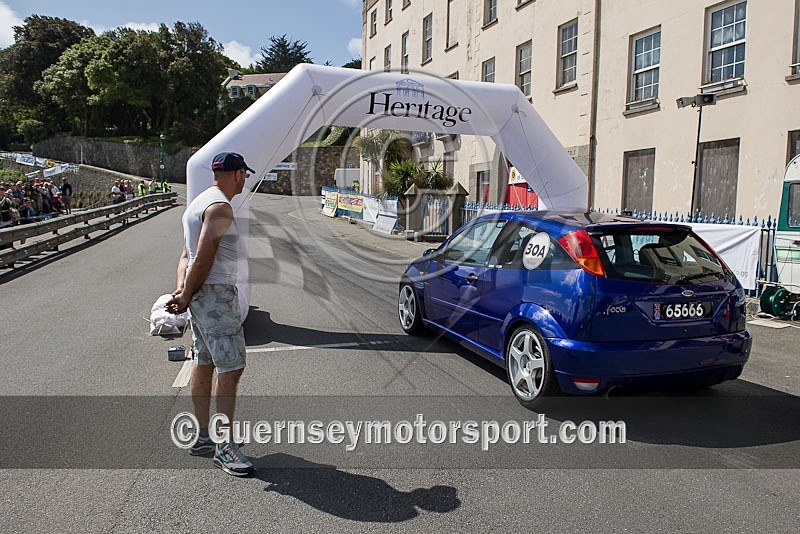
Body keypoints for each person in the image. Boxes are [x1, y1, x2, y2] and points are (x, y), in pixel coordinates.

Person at [166, 152, 254, 477]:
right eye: (244, 175)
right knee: (231, 367)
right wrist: (186, 293)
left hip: (201, 295)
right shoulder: (220, 207)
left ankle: (204, 435)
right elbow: (203, 258)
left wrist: (183, 291)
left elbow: (185, 256)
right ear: (238, 174)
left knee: (203, 362)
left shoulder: (198, 203)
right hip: (215, 295)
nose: (245, 181)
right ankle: (224, 446)